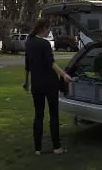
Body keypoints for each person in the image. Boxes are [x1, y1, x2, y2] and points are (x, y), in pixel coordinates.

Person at [23, 18, 72, 155]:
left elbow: (27, 65)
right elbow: (52, 63)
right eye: (48, 28)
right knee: (53, 115)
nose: (49, 31)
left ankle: (37, 149)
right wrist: (64, 75)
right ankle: (57, 147)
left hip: (36, 84)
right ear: (43, 28)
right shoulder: (44, 44)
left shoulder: (29, 43)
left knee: (38, 116)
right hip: (50, 84)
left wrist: (26, 82)